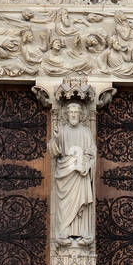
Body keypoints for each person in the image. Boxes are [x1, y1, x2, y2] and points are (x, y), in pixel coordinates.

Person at [49, 100, 95, 244]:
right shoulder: (61, 130)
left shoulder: (86, 132)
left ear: (81, 115)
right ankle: (64, 233)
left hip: (80, 175)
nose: (74, 115)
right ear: (67, 115)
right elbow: (53, 151)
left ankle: (81, 233)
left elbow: (93, 152)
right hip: (65, 174)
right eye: (71, 113)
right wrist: (56, 138)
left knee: (81, 204)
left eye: (76, 113)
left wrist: (87, 164)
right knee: (65, 205)